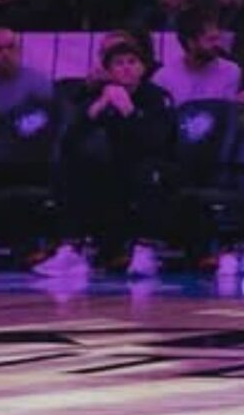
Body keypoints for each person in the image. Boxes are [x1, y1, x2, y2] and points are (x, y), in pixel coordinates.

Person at [35, 34, 174, 284]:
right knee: (72, 168)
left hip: (154, 165)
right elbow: (69, 143)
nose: (127, 68)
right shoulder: (100, 95)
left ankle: (146, 250)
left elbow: (156, 142)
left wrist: (129, 111)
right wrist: (95, 109)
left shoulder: (157, 96)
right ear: (108, 71)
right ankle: (72, 249)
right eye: (119, 63)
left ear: (143, 67)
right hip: (112, 167)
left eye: (132, 62)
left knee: (148, 172)